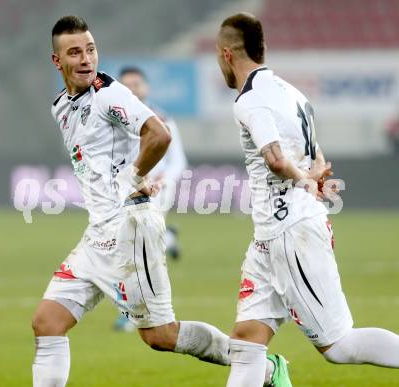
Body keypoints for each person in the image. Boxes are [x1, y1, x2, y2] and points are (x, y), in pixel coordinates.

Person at [31, 15, 291, 387]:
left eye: (90, 49)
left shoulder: (109, 93)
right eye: (75, 52)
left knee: (161, 335)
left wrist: (132, 177)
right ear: (57, 61)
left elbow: (159, 135)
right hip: (98, 234)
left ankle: (265, 369)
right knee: (47, 322)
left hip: (131, 230)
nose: (86, 58)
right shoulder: (61, 106)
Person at [216, 12, 399, 387]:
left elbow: (276, 159)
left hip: (290, 230)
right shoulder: (291, 91)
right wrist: (311, 176)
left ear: (226, 54)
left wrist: (302, 180)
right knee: (248, 339)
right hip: (271, 236)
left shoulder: (249, 101)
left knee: (339, 345)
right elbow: (317, 157)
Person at [113, 66, 187, 332]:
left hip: (155, 190)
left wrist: (162, 181)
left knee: (137, 249)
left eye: (137, 83)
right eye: (126, 84)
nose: (132, 88)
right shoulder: (114, 120)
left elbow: (178, 160)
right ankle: (169, 238)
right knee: (125, 248)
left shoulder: (163, 118)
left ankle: (133, 312)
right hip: (124, 190)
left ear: (146, 87)